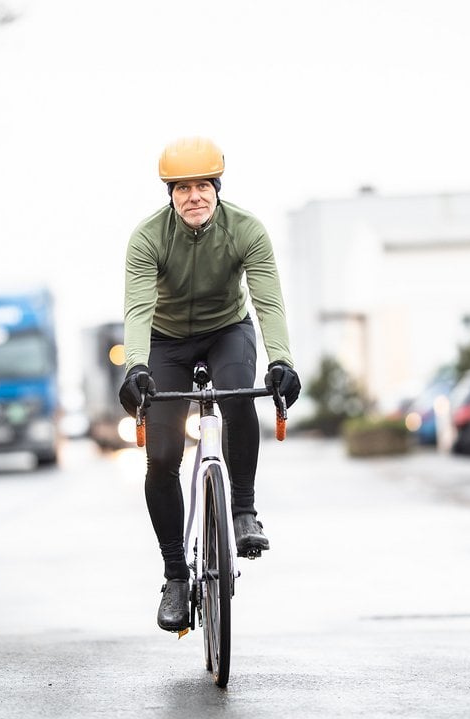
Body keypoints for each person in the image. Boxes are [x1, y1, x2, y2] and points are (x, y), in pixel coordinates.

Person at [118, 136, 302, 632]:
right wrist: (137, 367)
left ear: (217, 188)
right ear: (170, 194)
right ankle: (176, 576)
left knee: (239, 398)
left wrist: (282, 360)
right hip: (166, 341)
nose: (194, 196)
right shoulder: (147, 239)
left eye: (203, 185)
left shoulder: (247, 231)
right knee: (160, 455)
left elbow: (268, 303)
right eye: (183, 188)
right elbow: (137, 310)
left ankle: (243, 510)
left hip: (227, 330)